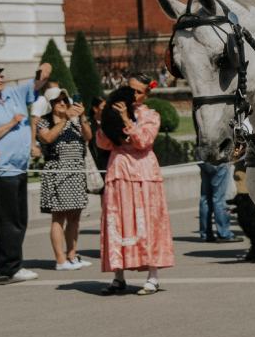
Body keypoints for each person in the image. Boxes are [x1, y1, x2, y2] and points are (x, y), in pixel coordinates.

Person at [0, 60, 52, 284]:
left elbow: (39, 80)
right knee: (8, 221)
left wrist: (44, 69)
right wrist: (11, 124)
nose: (0, 78)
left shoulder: (13, 95)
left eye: (0, 75)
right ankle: (7, 268)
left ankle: (14, 264)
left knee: (20, 219)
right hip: (1, 169)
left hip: (19, 167)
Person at [96, 77, 174, 294]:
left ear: (145, 94)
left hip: (144, 173)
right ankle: (118, 275)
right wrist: (103, 121)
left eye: (138, 92)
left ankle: (153, 276)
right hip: (119, 170)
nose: (133, 95)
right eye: (130, 90)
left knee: (148, 223)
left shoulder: (150, 115)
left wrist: (126, 120)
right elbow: (103, 143)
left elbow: (144, 141)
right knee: (118, 221)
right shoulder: (114, 108)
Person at [36, 88, 91, 271]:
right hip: (58, 171)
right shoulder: (44, 121)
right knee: (58, 217)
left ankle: (72, 255)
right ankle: (60, 260)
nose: (62, 103)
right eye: (57, 101)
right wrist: (65, 119)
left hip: (76, 172)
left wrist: (82, 117)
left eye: (64, 100)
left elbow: (88, 137)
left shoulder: (75, 121)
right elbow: (48, 138)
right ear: (50, 104)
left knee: (75, 217)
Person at [197, 160, 240, 243]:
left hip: (203, 159)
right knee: (219, 198)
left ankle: (206, 233)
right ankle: (224, 233)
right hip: (219, 160)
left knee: (205, 198)